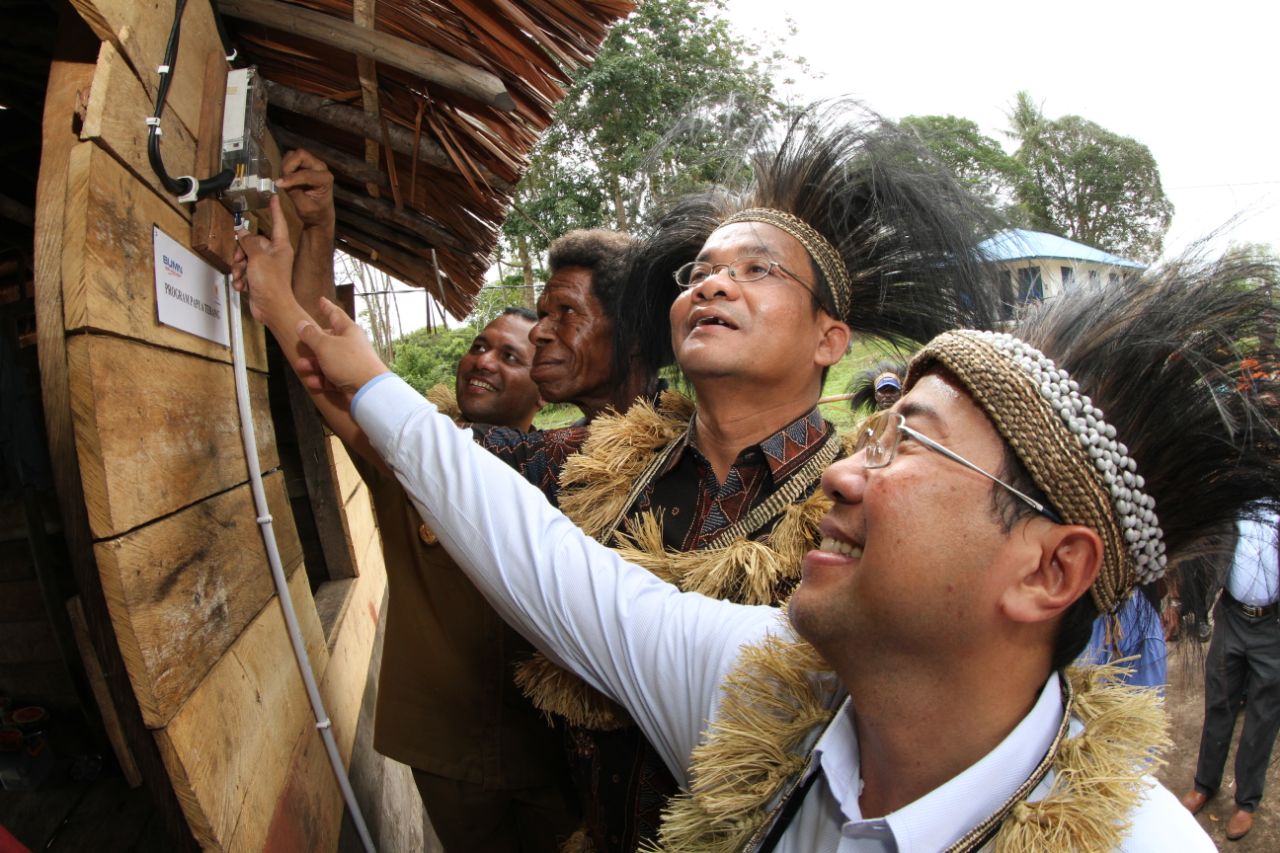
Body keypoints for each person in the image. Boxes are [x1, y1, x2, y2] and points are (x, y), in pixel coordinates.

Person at [251, 241, 1278, 850]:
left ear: (1050, 569)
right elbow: (555, 573)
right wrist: (376, 387)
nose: (842, 473)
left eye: (907, 444)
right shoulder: (759, 688)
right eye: (870, 435)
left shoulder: (1130, 842)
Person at [1181, 509, 1280, 841]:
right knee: (1219, 701)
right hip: (1232, 616)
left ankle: (1247, 802)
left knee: (1263, 715)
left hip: (1273, 626)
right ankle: (1204, 785)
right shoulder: (1236, 500)